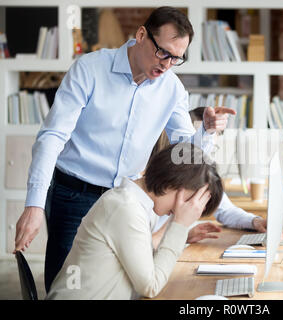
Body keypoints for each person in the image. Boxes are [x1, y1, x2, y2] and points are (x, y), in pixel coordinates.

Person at [14, 6, 235, 292]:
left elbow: (184, 157)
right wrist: (34, 203)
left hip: (127, 202)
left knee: (121, 283)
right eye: (163, 53)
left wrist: (205, 131)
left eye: (177, 58)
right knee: (69, 284)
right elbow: (52, 137)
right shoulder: (90, 69)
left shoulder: (172, 90)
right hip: (73, 194)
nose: (168, 64)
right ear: (141, 35)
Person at [46, 143, 223, 299]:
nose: (184, 210)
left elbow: (142, 250)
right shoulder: (125, 207)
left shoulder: (136, 202)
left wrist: (181, 233)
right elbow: (150, 286)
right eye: (190, 201)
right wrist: (179, 226)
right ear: (176, 185)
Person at [150, 107, 267, 243]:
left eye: (211, 147)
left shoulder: (197, 175)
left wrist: (255, 221)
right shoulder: (156, 179)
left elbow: (225, 210)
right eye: (203, 145)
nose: (205, 156)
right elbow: (145, 242)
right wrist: (180, 233)